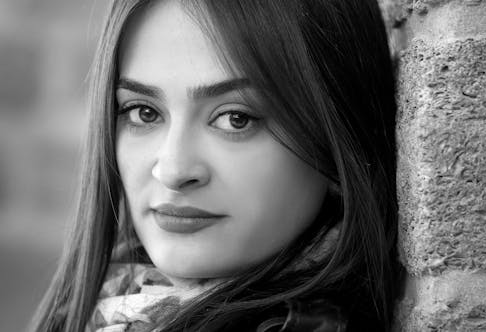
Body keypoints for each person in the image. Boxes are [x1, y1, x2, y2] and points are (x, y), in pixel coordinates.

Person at [29, 0, 400, 331]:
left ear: (337, 142)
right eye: (143, 112)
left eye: (235, 118)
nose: (173, 171)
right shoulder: (111, 301)